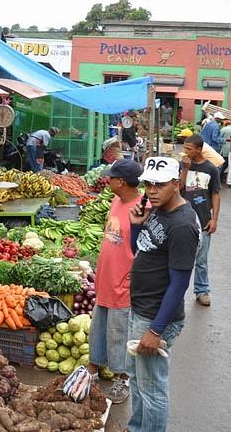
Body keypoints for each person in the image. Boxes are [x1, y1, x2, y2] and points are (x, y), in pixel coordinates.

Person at [127, 156, 201, 432]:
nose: (152, 190)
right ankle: (137, 427)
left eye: (159, 184)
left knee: (152, 388)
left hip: (156, 316)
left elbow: (180, 284)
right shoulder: (158, 209)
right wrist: (137, 227)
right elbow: (143, 250)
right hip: (142, 308)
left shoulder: (182, 225)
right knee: (137, 378)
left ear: (176, 183)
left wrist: (156, 330)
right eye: (148, 184)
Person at [87, 159, 144, 405]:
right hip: (105, 280)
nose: (106, 180)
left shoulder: (143, 208)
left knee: (120, 333)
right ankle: (92, 369)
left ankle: (124, 378)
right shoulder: (116, 201)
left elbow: (145, 250)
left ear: (120, 182)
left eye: (110, 177)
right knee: (99, 329)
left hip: (124, 285)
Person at [180, 134, 221, 307]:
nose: (185, 151)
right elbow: (178, 188)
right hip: (183, 219)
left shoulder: (211, 168)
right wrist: (185, 170)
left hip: (204, 219)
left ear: (199, 149)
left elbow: (216, 194)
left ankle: (202, 290)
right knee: (180, 259)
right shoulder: (183, 165)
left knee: (202, 260)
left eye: (189, 148)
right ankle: (176, 293)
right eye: (185, 148)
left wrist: (214, 219)